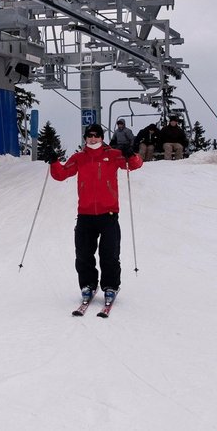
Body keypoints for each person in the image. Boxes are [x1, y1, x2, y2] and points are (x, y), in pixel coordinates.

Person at [49, 123, 142, 308]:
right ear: (85, 138)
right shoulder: (79, 157)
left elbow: (135, 165)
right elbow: (61, 174)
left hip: (108, 214)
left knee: (109, 254)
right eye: (90, 136)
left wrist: (131, 154)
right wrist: (53, 162)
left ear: (102, 138)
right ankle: (88, 285)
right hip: (85, 214)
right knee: (83, 254)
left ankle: (110, 286)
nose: (93, 139)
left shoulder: (113, 155)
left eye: (96, 136)